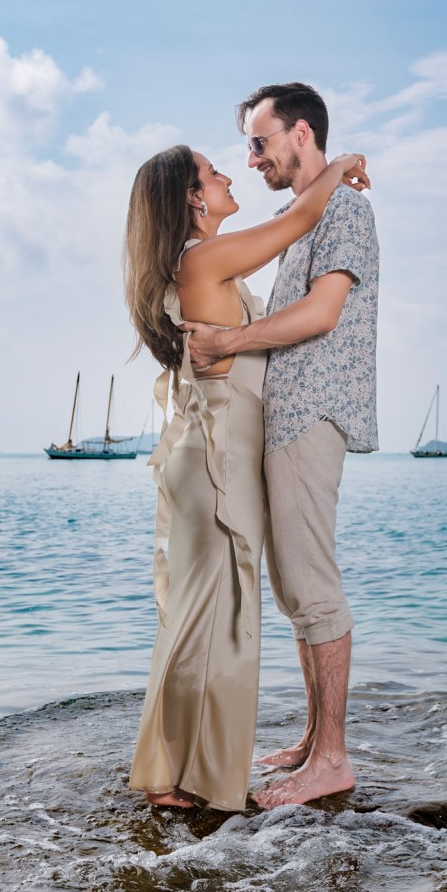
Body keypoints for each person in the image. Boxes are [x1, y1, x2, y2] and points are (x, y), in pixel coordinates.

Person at [123, 142, 369, 811]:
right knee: (217, 620)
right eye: (213, 172)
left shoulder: (204, 265)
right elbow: (295, 224)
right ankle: (187, 778)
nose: (231, 174)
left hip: (212, 460)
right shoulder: (203, 258)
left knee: (205, 618)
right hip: (215, 467)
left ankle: (176, 772)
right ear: (194, 199)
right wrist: (340, 164)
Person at [181, 82, 379, 808]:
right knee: (297, 588)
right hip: (287, 418)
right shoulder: (313, 215)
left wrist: (230, 339)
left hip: (310, 413)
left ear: (301, 134)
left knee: (311, 584)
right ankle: (313, 738)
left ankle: (331, 759)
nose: (252, 157)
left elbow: (323, 313)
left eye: (260, 142)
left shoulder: (347, 212)